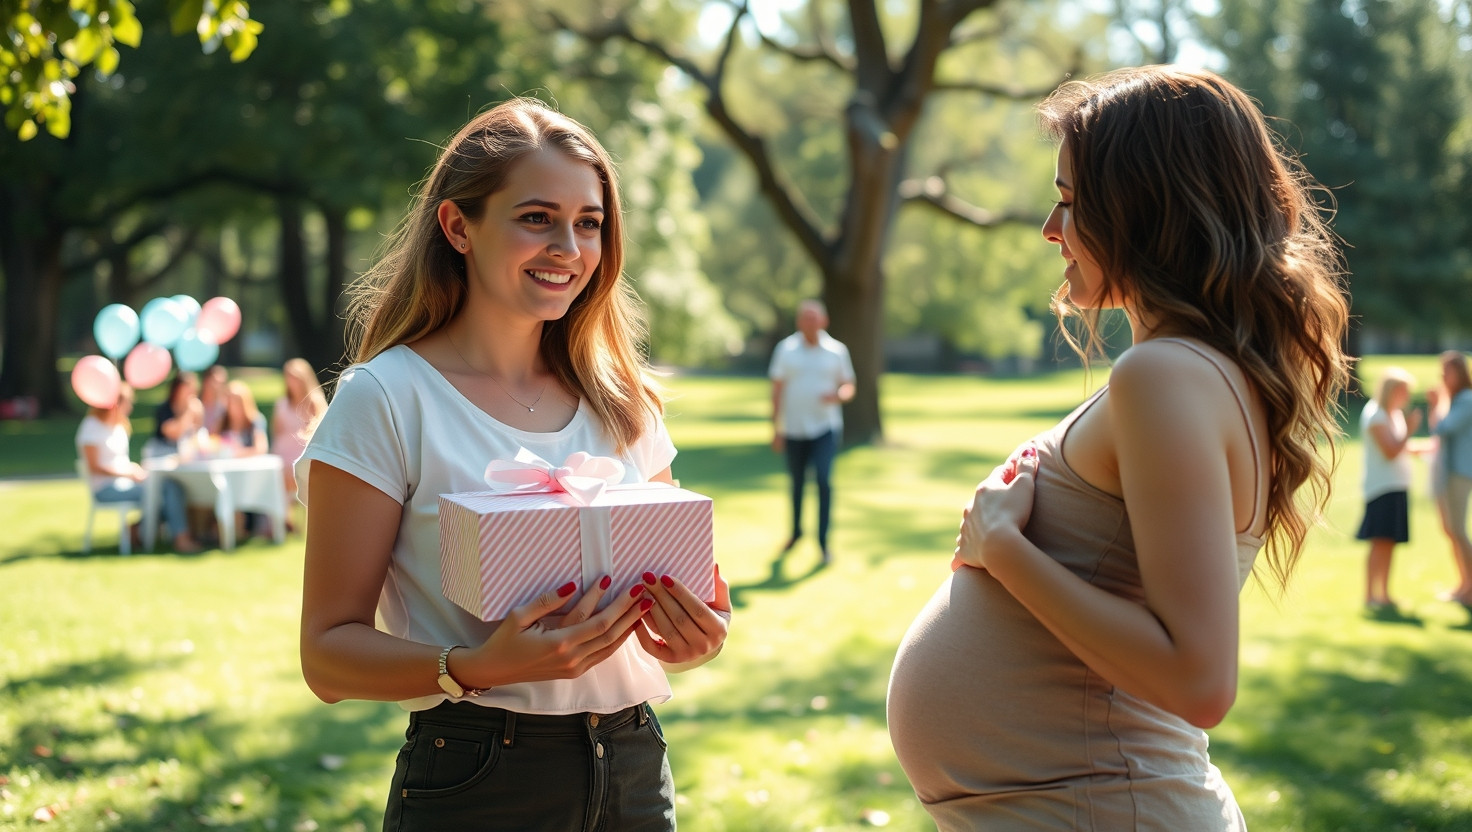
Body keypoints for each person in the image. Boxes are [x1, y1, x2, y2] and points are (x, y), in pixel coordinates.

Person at [887, 66, 1351, 830]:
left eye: (1069, 202)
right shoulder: (1181, 370)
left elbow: (1199, 679)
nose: (1048, 228)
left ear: (1145, 207)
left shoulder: (1166, 375)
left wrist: (1004, 550)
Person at [295, 98, 730, 831]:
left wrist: (703, 631)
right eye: (536, 218)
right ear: (458, 226)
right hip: (479, 773)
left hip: (632, 761)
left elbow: (683, 592)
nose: (568, 246)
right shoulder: (388, 398)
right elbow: (326, 656)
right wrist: (476, 666)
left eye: (588, 223)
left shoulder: (622, 399)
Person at [769, 298, 855, 564]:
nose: (810, 322)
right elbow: (777, 389)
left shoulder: (836, 351)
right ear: (799, 321)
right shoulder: (786, 349)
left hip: (825, 429)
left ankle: (823, 542)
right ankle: (795, 533)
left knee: (823, 480)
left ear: (823, 321)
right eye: (805, 317)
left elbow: (849, 384)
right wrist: (776, 428)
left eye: (814, 317)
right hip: (794, 429)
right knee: (796, 483)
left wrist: (839, 395)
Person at [76, 383, 202, 553]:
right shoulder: (92, 427)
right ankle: (179, 539)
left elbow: (119, 460)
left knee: (172, 488)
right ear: (115, 403)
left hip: (126, 481)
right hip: (106, 487)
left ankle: (138, 530)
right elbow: (95, 467)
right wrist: (129, 473)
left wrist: (135, 469)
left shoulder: (118, 426)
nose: (130, 408)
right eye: (128, 403)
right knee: (165, 492)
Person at [1357, 368, 1420, 615]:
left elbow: (1401, 447)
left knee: (1389, 542)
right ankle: (1369, 595)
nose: (1407, 395)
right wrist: (1411, 430)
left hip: (1395, 487)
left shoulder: (1392, 415)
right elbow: (1391, 450)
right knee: (1379, 542)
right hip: (1381, 488)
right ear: (1392, 390)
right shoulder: (1376, 415)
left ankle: (1383, 594)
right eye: (1404, 390)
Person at [1429, 350, 1472, 606]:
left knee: (1457, 529)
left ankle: (1470, 588)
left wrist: (1435, 404)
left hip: (1460, 472)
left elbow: (1441, 428)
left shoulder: (1466, 399)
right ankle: (1463, 585)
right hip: (1452, 471)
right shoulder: (1458, 399)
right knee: (1452, 530)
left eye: (1447, 372)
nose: (1443, 377)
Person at [272, 357, 328, 499]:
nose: (291, 381)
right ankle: (283, 517)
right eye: (288, 377)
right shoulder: (282, 403)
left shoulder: (315, 402)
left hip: (304, 450)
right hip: (283, 453)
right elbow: (277, 432)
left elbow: (322, 432)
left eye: (295, 377)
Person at [142, 371, 204, 460]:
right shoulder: (165, 409)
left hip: (187, 455)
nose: (191, 392)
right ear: (177, 389)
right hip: (162, 453)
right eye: (187, 388)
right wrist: (188, 412)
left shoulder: (197, 407)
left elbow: (197, 433)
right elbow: (174, 435)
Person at [220, 380, 269, 457]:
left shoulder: (255, 421)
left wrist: (235, 454)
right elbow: (213, 443)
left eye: (236, 401)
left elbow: (261, 448)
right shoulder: (223, 421)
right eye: (229, 400)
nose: (232, 405)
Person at [199, 364, 230, 435]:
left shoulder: (224, 408)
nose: (216, 387)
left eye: (221, 384)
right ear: (205, 382)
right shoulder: (194, 403)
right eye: (214, 382)